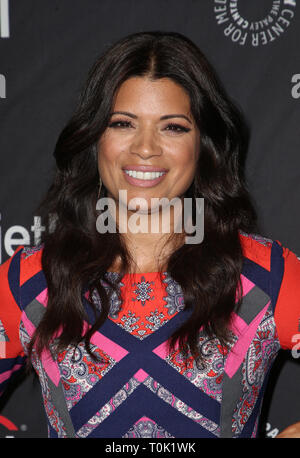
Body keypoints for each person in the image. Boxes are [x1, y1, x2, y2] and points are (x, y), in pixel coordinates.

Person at [0, 30, 300, 439]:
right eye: (123, 123)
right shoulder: (33, 280)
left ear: (203, 145)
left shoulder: (263, 276)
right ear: (94, 139)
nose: (145, 148)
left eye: (172, 127)